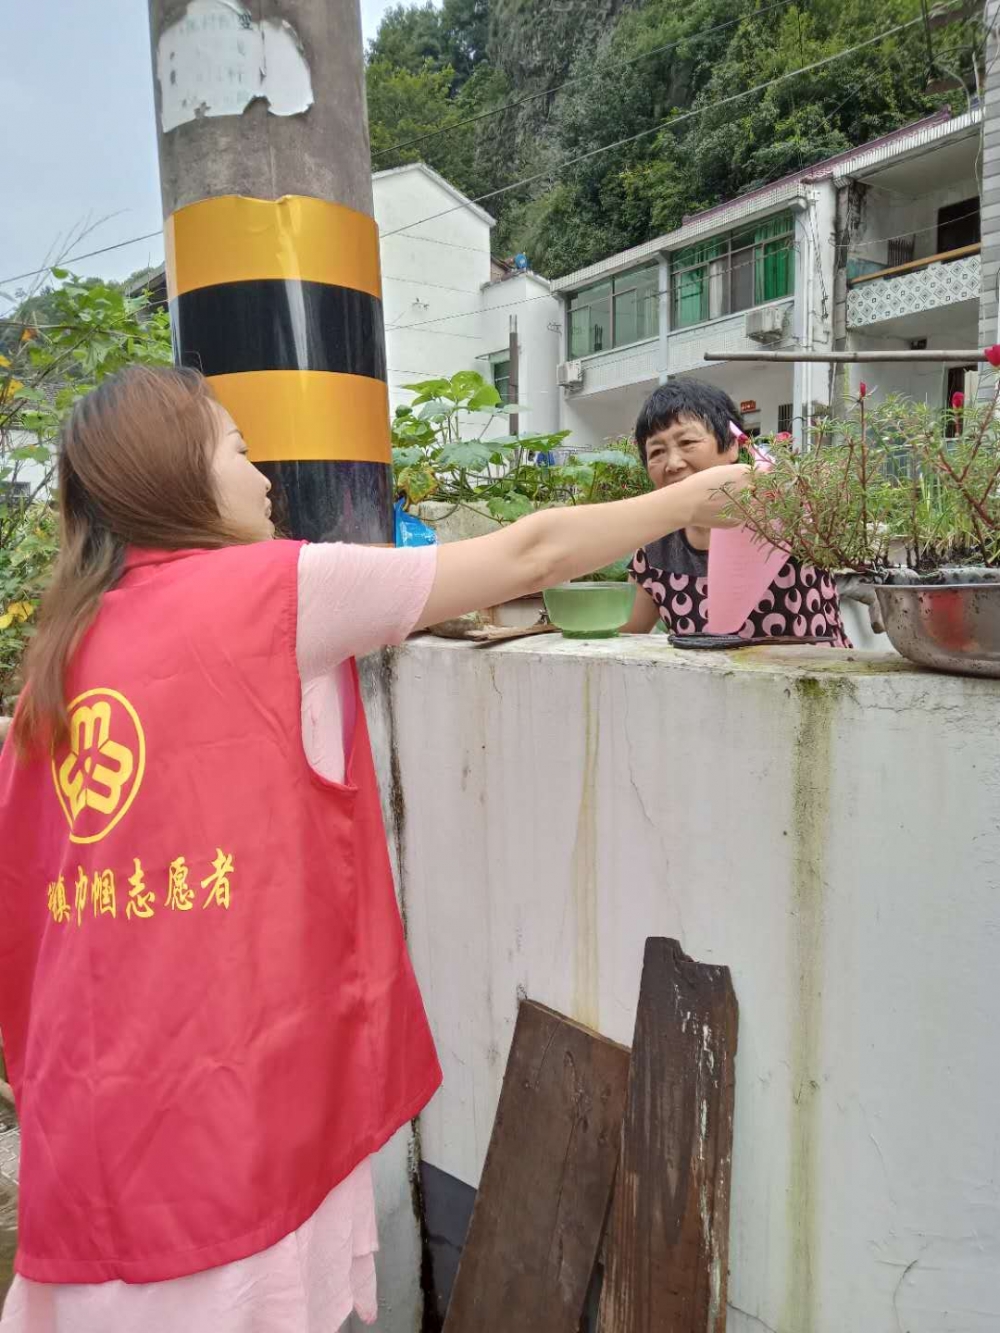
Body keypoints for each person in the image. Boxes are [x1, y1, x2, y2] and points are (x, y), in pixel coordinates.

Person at [0, 365, 746, 1333]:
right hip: (226, 1096)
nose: (264, 477)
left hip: (91, 1102)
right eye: (235, 449)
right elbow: (530, 552)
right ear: (178, 473)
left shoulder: (63, 646)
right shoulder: (279, 590)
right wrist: (698, 495)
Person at [623, 379, 850, 646]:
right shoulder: (655, 550)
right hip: (710, 686)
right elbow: (627, 634)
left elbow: (839, 501)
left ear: (731, 446)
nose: (673, 463)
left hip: (814, 681)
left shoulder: (787, 512)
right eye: (657, 451)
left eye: (687, 442)